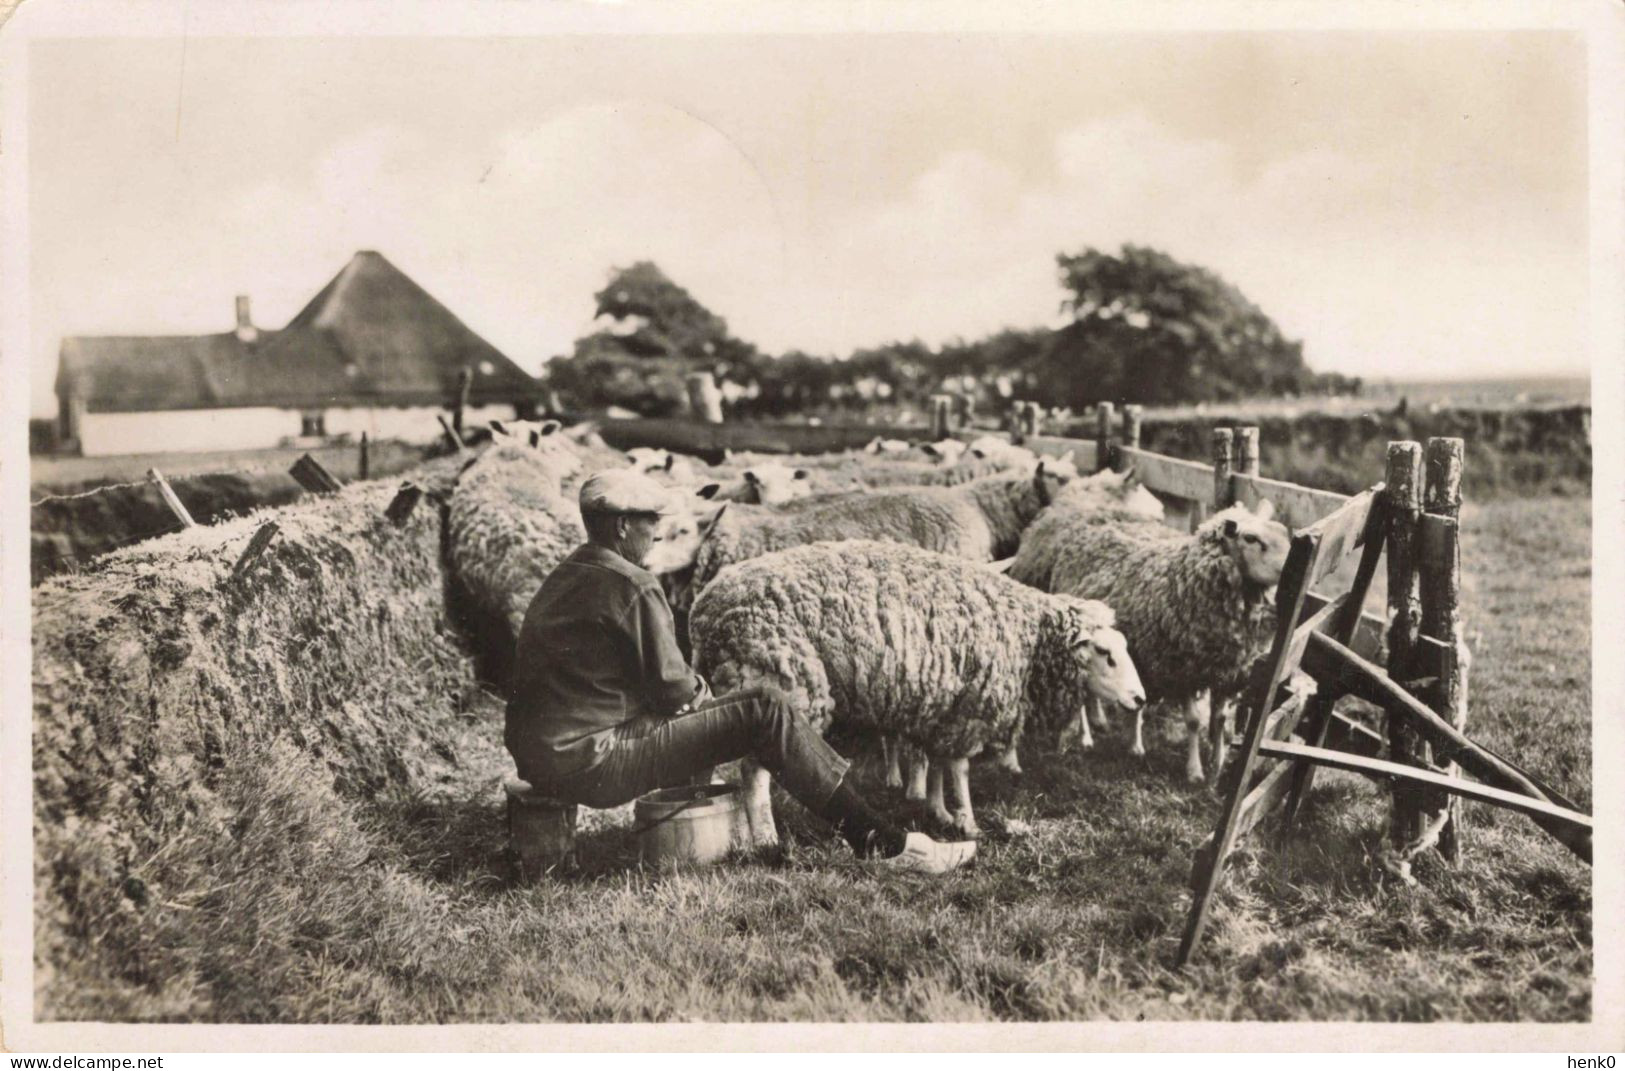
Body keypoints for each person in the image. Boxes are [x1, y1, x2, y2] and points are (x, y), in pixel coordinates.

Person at [505, 467, 976, 874]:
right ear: (623, 525)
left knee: (741, 713)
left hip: (542, 755)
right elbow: (673, 689)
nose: (657, 532)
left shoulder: (566, 573)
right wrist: (702, 696)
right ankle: (885, 843)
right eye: (651, 521)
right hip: (592, 760)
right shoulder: (632, 585)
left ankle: (820, 821)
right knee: (766, 710)